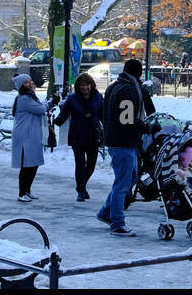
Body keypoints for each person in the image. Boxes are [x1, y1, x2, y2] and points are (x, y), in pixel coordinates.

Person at [98, 59, 155, 236]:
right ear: (138, 73)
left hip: (117, 139)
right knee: (123, 182)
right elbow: (127, 119)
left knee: (129, 178)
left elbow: (104, 114)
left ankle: (106, 212)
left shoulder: (115, 86)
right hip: (123, 142)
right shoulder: (128, 90)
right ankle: (117, 222)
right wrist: (147, 128)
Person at [54, 73, 104, 202]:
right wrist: (56, 121)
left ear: (91, 85)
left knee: (91, 165)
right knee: (80, 164)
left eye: (87, 85)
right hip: (78, 134)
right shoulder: (72, 98)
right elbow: (64, 114)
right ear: (78, 86)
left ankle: (81, 185)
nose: (85, 88)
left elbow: (103, 115)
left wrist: (110, 127)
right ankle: (81, 191)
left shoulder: (98, 97)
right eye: (82, 85)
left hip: (93, 134)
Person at [10, 74, 47, 201]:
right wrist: (50, 103)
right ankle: (22, 193)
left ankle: (27, 190)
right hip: (25, 136)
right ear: (21, 86)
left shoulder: (29, 97)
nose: (30, 83)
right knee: (26, 165)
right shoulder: (25, 99)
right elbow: (41, 109)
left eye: (30, 80)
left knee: (33, 164)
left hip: (30, 135)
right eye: (26, 82)